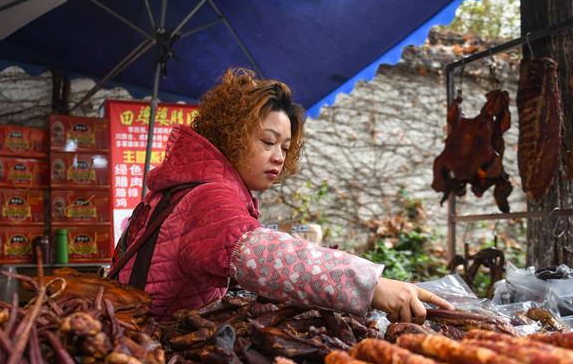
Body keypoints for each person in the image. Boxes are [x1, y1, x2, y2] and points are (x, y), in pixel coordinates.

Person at [110, 68, 452, 321]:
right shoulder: (210, 197)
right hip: (152, 346)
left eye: (286, 147)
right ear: (231, 135)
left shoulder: (182, 186)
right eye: (267, 141)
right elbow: (257, 252)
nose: (279, 157)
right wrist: (370, 285)